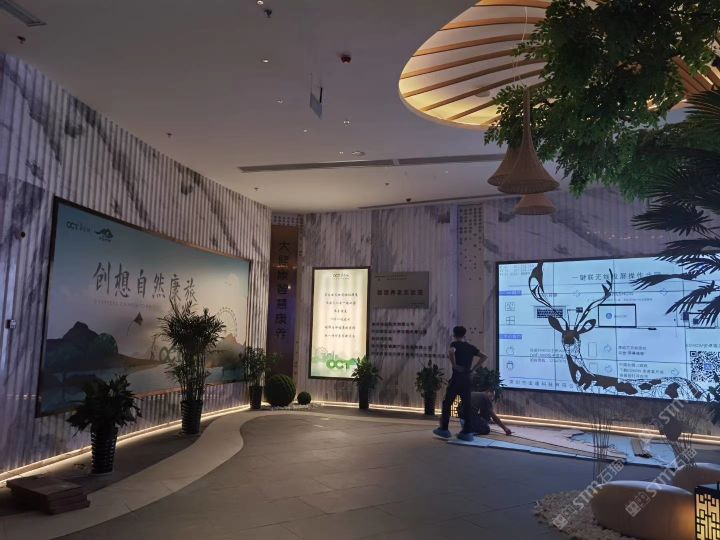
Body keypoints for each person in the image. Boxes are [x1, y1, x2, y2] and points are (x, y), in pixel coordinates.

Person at [433, 326, 485, 441]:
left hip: (457, 378)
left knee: (447, 402)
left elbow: (451, 352)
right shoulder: (471, 347)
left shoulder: (455, 344)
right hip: (467, 378)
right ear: (464, 334)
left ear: (454, 334)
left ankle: (444, 429)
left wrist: (454, 365)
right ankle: (467, 432)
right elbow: (484, 356)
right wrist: (473, 369)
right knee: (467, 404)